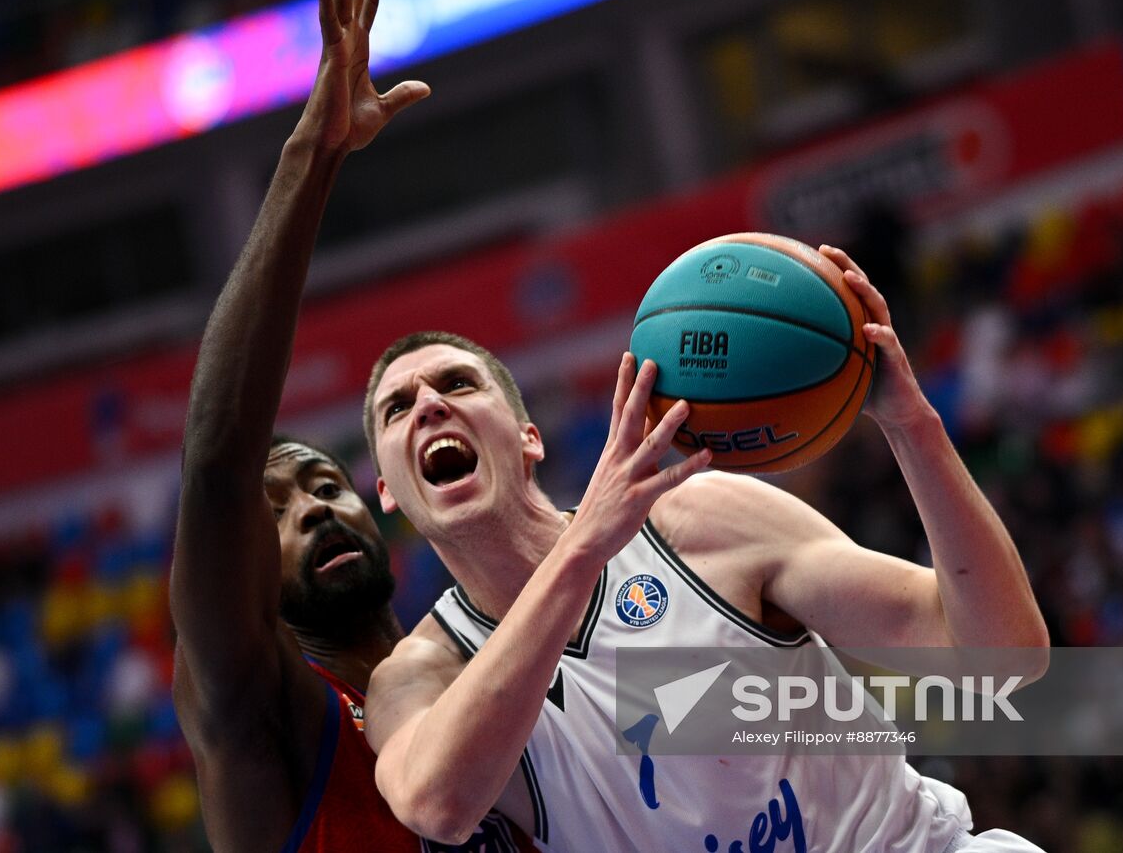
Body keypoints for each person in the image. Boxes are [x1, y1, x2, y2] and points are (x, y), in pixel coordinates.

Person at [360, 293, 1051, 847]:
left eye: (456, 383)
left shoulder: (696, 524)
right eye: (399, 408)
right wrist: (581, 552)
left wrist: (912, 426)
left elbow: (1002, 658)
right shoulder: (420, 675)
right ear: (387, 490)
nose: (429, 404)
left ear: (527, 438)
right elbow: (437, 805)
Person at [168, 0, 532, 852]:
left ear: (383, 502)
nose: (312, 513)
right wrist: (314, 154)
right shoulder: (268, 715)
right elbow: (217, 463)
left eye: (324, 484)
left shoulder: (494, 664)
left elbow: (759, 730)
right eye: (279, 511)